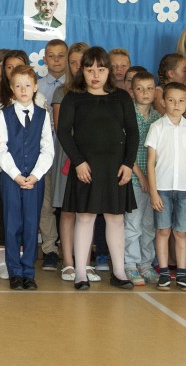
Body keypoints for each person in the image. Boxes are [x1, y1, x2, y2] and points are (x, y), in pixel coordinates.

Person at [57, 46, 138, 291]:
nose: (95, 75)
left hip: (115, 167)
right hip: (85, 167)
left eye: (101, 70)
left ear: (108, 71)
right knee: (85, 217)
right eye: (90, 69)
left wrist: (128, 164)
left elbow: (132, 132)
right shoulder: (73, 97)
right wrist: (78, 162)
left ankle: (119, 272)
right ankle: (80, 273)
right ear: (82, 71)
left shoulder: (121, 97)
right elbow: (63, 132)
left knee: (116, 218)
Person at [0, 65, 54, 289]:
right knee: (12, 224)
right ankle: (15, 271)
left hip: (35, 180)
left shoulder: (43, 115)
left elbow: (48, 149)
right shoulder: (4, 114)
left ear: (35, 87)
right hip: (11, 179)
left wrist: (35, 175)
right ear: (12, 88)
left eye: (27, 85)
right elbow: (0, 149)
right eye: (18, 86)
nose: (23, 90)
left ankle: (29, 271)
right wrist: (16, 175)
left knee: (31, 224)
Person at [0, 50, 36, 278]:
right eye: (9, 67)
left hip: (31, 168)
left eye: (18, 66)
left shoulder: (38, 101)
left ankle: (23, 259)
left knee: (26, 214)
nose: (14, 71)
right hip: (2, 165)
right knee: (4, 212)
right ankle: (3, 260)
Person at [147, 82, 186, 290]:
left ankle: (181, 272)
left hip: (185, 189)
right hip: (162, 188)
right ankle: (163, 272)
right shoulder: (157, 127)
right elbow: (151, 162)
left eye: (181, 101)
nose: (176, 104)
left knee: (181, 232)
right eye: (171, 100)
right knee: (163, 230)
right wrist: (154, 192)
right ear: (163, 102)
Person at [51, 41, 88, 282]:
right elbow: (60, 128)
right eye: (72, 63)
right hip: (68, 155)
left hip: (93, 156)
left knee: (87, 211)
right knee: (67, 210)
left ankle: (84, 261)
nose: (77, 67)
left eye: (81, 63)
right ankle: (67, 261)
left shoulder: (100, 92)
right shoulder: (61, 92)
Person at [125, 70, 160, 286]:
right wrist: (141, 175)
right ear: (132, 91)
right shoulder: (127, 116)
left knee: (149, 225)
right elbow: (125, 150)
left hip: (154, 182)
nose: (145, 93)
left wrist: (152, 179)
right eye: (140, 89)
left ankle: (146, 264)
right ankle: (130, 264)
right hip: (134, 179)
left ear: (155, 92)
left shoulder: (158, 119)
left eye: (149, 89)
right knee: (133, 224)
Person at [36, 39, 66, 271]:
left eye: (61, 55)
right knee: (46, 205)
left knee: (67, 204)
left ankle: (71, 250)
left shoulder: (74, 88)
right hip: (43, 155)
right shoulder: (35, 86)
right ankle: (50, 250)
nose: (56, 60)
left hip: (67, 155)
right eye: (51, 55)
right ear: (44, 59)